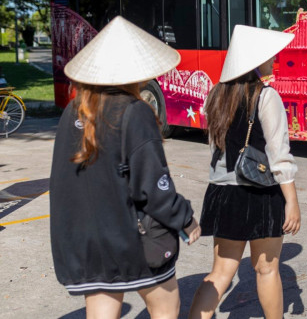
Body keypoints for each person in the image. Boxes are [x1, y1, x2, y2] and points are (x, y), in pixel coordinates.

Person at [50, 16, 200, 319]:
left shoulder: (73, 111)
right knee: (166, 309)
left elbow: (63, 181)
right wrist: (185, 219)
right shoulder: (135, 112)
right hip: (128, 239)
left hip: (84, 241)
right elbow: (154, 187)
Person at [189, 25, 301, 319]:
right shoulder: (266, 97)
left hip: (222, 193)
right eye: (269, 56)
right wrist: (292, 200)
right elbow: (279, 155)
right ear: (254, 60)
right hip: (259, 194)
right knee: (266, 269)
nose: (274, 60)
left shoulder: (216, 95)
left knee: (220, 273)